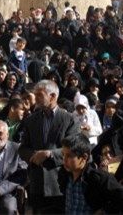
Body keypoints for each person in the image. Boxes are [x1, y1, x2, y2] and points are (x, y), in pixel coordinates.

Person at [18, 80, 80, 213]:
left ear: (53, 96)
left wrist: (50, 154)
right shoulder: (30, 120)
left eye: (39, 95)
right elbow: (22, 149)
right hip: (37, 182)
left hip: (60, 182)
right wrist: (34, 156)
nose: (36, 99)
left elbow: (74, 148)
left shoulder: (69, 119)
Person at [57, 133, 123, 213]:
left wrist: (105, 210)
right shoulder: (64, 174)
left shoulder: (98, 178)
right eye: (63, 155)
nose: (64, 160)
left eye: (69, 156)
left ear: (84, 157)